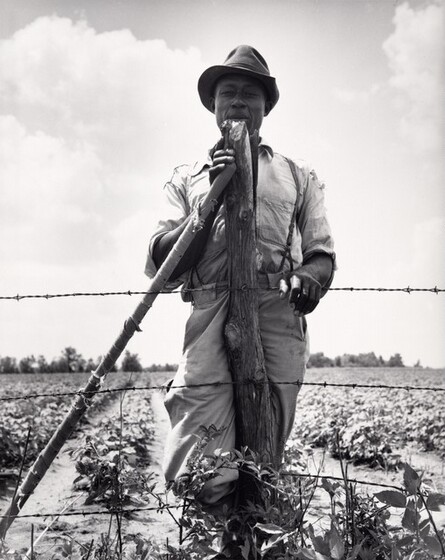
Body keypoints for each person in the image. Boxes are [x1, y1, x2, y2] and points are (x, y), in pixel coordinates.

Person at [145, 45, 335, 514]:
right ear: (213, 106)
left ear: (266, 106)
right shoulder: (186, 178)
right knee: (202, 470)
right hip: (209, 313)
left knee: (266, 458)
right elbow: (162, 263)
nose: (237, 102)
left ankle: (255, 535)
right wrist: (210, 200)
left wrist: (309, 279)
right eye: (227, 92)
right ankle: (218, 539)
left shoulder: (297, 175)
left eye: (250, 93)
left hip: (277, 317)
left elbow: (321, 254)